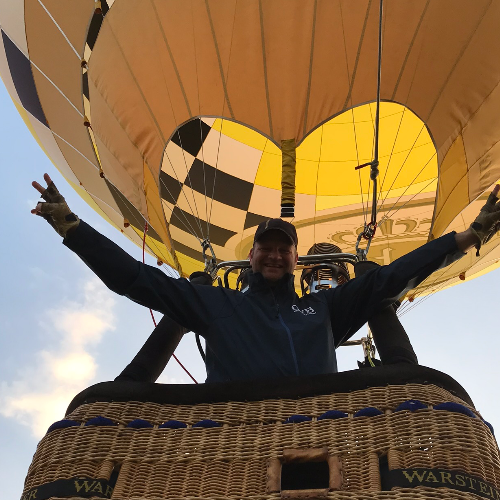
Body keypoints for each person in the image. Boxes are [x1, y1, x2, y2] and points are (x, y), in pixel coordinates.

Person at [31, 174, 500, 383]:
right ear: (251, 256)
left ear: (295, 260)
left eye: (283, 249)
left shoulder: (324, 309)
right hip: (232, 430)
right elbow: (138, 280)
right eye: (266, 248)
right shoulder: (217, 304)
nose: (274, 255)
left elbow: (391, 278)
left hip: (318, 428)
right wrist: (75, 229)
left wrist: (466, 237)